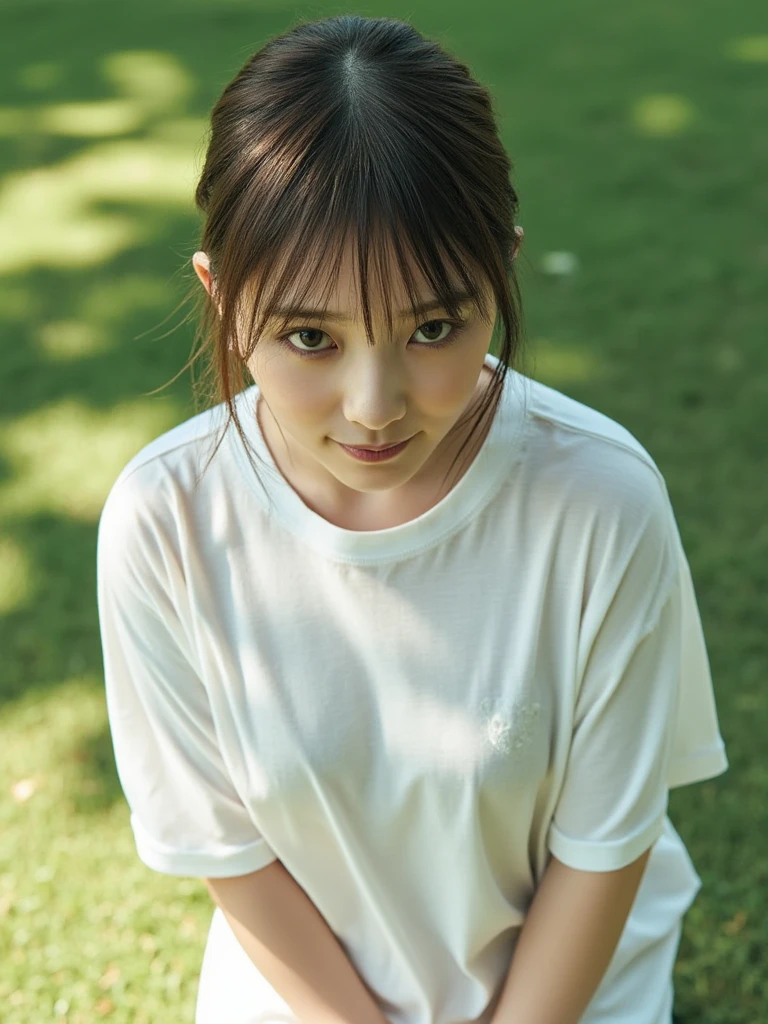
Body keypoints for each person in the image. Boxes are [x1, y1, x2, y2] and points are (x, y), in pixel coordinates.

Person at [96, 14, 729, 1024]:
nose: (374, 406)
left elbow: (604, 847)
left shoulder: (600, 501)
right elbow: (233, 853)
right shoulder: (164, 522)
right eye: (311, 337)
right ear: (221, 295)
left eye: (433, 326)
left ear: (501, 274)